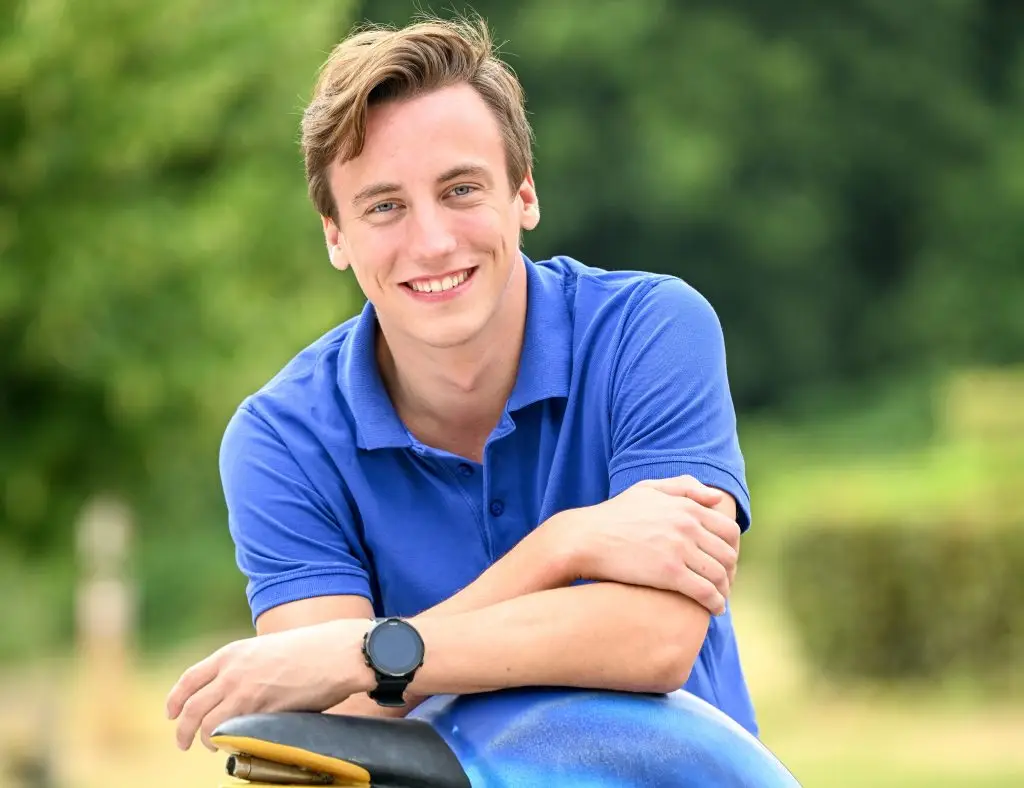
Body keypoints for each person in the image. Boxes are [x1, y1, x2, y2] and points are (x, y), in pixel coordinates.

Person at [166, 15, 758, 752]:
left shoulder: (653, 330)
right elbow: (327, 722)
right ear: (335, 234)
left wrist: (367, 654)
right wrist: (559, 549)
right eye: (384, 206)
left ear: (524, 194)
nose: (433, 242)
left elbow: (654, 639)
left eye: (460, 189)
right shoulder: (280, 439)